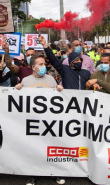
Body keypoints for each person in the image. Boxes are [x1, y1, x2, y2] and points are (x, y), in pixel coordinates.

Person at [15, 54, 64, 185]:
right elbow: (19, 101)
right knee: (33, 148)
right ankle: (32, 174)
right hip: (32, 121)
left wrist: (60, 90)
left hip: (49, 121)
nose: (44, 67)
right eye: (40, 64)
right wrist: (16, 90)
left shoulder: (51, 80)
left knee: (50, 147)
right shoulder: (25, 81)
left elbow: (58, 101)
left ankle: (54, 173)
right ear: (33, 67)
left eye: (44, 64)